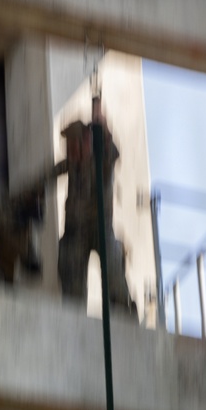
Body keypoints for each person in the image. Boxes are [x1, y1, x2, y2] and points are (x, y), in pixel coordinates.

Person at [57, 95, 136, 315]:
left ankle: (123, 310)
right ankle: (73, 313)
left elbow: (112, 154)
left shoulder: (101, 159)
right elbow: (43, 177)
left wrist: (103, 128)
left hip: (100, 229)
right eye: (68, 144)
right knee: (67, 260)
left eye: (73, 143)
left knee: (112, 263)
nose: (69, 148)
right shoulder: (71, 165)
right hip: (76, 233)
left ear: (84, 142)